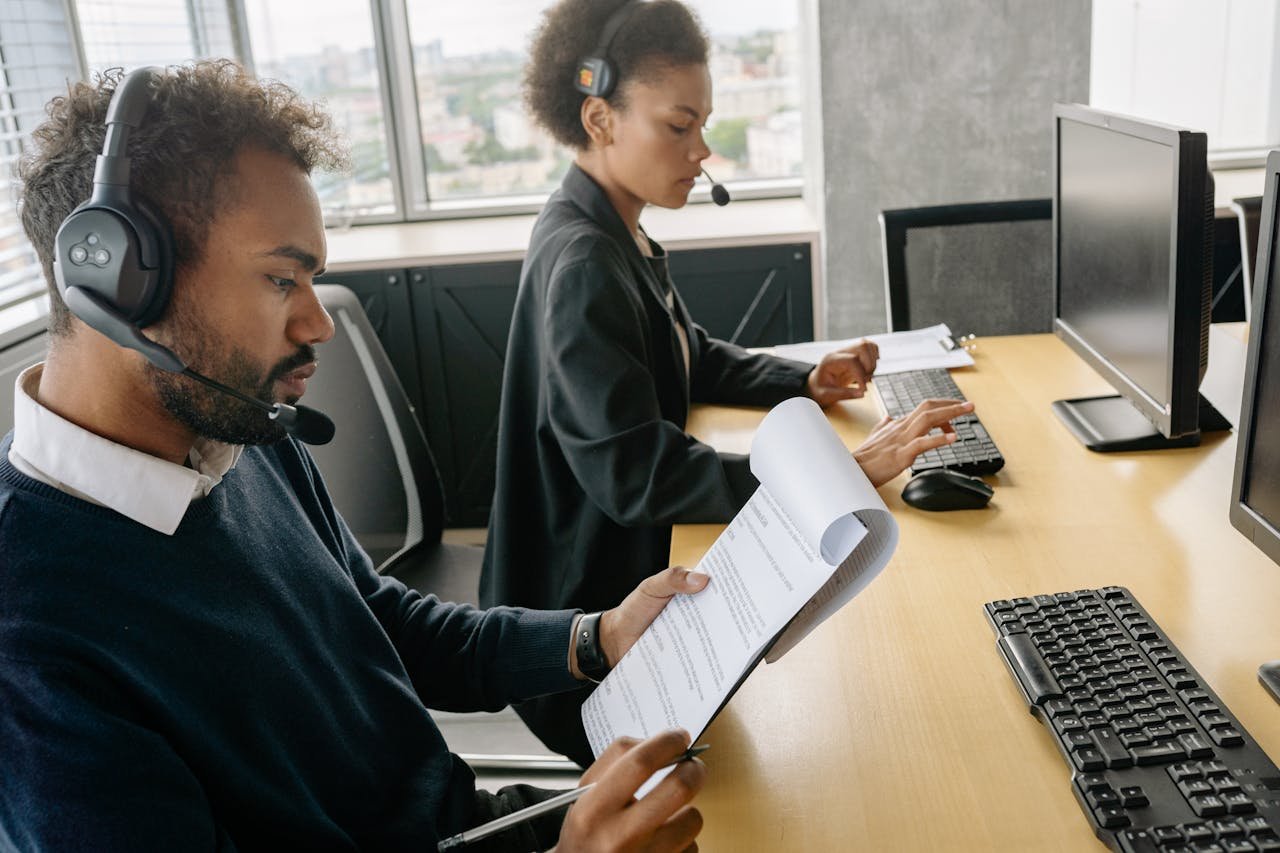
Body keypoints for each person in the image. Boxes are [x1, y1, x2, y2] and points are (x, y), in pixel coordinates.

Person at [0, 60, 708, 852]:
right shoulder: (30, 637)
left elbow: (381, 623)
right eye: (280, 279)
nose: (318, 324)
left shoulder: (234, 430)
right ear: (122, 285)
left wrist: (597, 636)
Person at [481, 0, 975, 767]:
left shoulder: (615, 230)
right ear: (601, 118)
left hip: (614, 579)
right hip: (585, 625)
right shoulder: (583, 262)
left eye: (702, 125)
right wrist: (830, 478)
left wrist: (805, 379)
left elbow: (689, 352)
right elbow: (638, 477)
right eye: (679, 126)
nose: (701, 149)